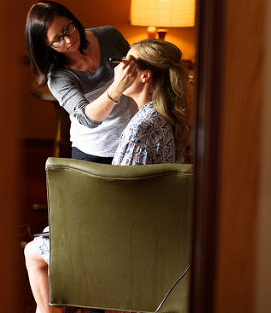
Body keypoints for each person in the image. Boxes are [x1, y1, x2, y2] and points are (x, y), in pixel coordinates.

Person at [24, 38, 192, 313]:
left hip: (124, 246)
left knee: (33, 252)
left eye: (125, 63)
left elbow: (118, 203)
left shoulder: (139, 130)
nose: (118, 70)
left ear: (145, 75)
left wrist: (71, 227)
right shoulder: (166, 117)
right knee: (47, 236)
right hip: (155, 234)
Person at [25, 0, 138, 163]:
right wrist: (116, 88)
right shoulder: (57, 76)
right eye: (57, 39)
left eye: (67, 29)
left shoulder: (109, 36)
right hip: (94, 150)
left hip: (134, 140)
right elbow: (87, 119)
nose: (69, 40)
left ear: (73, 20)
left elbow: (139, 69)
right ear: (46, 45)